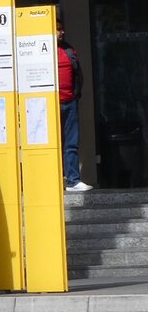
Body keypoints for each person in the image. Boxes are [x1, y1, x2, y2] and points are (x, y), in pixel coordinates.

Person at [58, 17, 91, 192]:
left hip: (70, 101)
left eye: (62, 28)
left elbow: (78, 73)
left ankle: (72, 180)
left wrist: (76, 94)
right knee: (52, 144)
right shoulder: (40, 50)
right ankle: (55, 179)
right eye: (58, 29)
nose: (62, 32)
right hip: (50, 104)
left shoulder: (69, 49)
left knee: (71, 142)